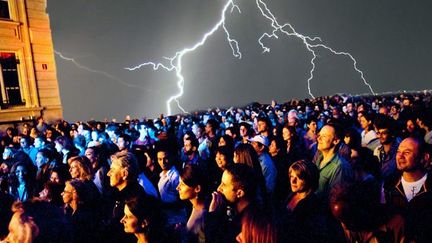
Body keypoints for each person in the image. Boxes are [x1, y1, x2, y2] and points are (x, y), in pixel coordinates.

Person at [385, 137, 432, 242]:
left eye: (407, 152)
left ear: (424, 157)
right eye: (398, 152)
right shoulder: (389, 184)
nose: (400, 156)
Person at [206, 163, 258, 242]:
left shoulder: (247, 225)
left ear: (239, 193)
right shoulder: (235, 212)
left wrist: (213, 216)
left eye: (224, 185)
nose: (218, 189)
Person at [313, 124, 353, 201]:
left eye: (324, 136)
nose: (319, 138)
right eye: (319, 135)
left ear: (336, 141)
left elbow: (335, 199)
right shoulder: (319, 158)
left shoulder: (340, 167)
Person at [176, 163, 209, 243]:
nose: (177, 188)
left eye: (182, 185)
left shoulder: (202, 217)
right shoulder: (196, 206)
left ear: (197, 188)